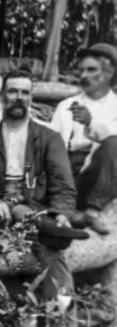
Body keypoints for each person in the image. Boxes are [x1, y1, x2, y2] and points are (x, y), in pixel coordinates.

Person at [0, 69, 84, 327]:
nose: (18, 97)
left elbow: (63, 186)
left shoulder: (48, 138)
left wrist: (61, 214)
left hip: (32, 211)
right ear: (2, 96)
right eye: (13, 91)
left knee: (54, 253)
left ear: (31, 97)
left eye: (24, 92)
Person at [50, 43, 117, 234]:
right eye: (82, 70)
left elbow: (112, 142)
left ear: (109, 73)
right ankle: (67, 212)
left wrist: (90, 122)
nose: (84, 76)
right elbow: (51, 146)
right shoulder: (66, 105)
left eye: (91, 70)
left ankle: (92, 212)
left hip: (100, 175)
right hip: (68, 175)